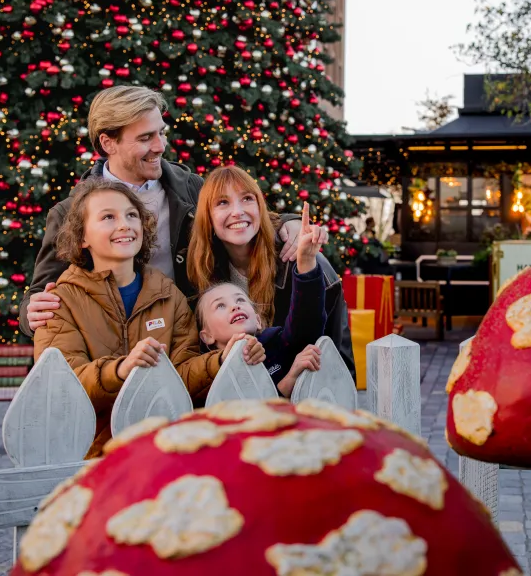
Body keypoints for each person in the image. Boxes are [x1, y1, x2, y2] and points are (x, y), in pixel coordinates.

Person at [18, 85, 311, 337]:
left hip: (191, 342)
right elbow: (40, 293)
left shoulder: (189, 187)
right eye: (145, 138)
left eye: (161, 132)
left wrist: (290, 222)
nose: (160, 146)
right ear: (108, 143)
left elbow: (238, 215)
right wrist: (30, 313)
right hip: (117, 348)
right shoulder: (69, 213)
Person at [32, 177, 265, 458]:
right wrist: (121, 370)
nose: (124, 225)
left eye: (132, 215)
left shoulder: (169, 295)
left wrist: (220, 359)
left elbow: (181, 375)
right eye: (108, 217)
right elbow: (60, 385)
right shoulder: (58, 302)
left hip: (163, 451)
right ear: (82, 238)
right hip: (90, 457)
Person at [187, 166, 356, 379]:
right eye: (222, 202)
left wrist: (306, 264)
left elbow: (312, 343)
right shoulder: (204, 267)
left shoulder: (299, 260)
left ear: (260, 207)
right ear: (208, 217)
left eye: (247, 199)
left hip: (315, 386)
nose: (237, 211)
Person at [196, 203, 327, 397]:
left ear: (257, 320)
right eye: (221, 305)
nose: (234, 307)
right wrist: (287, 383)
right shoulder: (210, 375)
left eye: (240, 300)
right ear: (207, 336)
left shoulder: (277, 345)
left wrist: (306, 262)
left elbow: (305, 321)